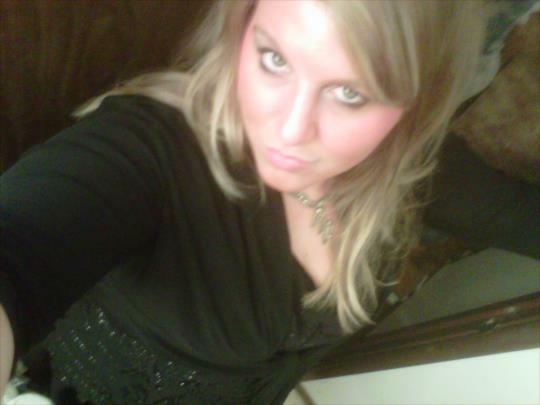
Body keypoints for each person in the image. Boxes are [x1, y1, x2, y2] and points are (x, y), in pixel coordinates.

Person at [0, 0, 484, 403]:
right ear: (240, 30)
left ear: (418, 103)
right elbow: (23, 239)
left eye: (349, 93)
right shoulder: (151, 147)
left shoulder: (400, 172)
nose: (291, 130)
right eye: (274, 59)